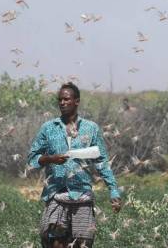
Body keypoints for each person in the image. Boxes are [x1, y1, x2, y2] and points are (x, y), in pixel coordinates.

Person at [27, 82, 122, 248]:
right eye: (60, 100)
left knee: (82, 244)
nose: (62, 103)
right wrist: (51, 159)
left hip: (82, 197)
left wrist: (113, 190)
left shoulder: (91, 129)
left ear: (76, 101)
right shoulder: (49, 128)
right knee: (53, 241)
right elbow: (32, 159)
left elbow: (101, 162)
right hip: (56, 195)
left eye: (66, 99)